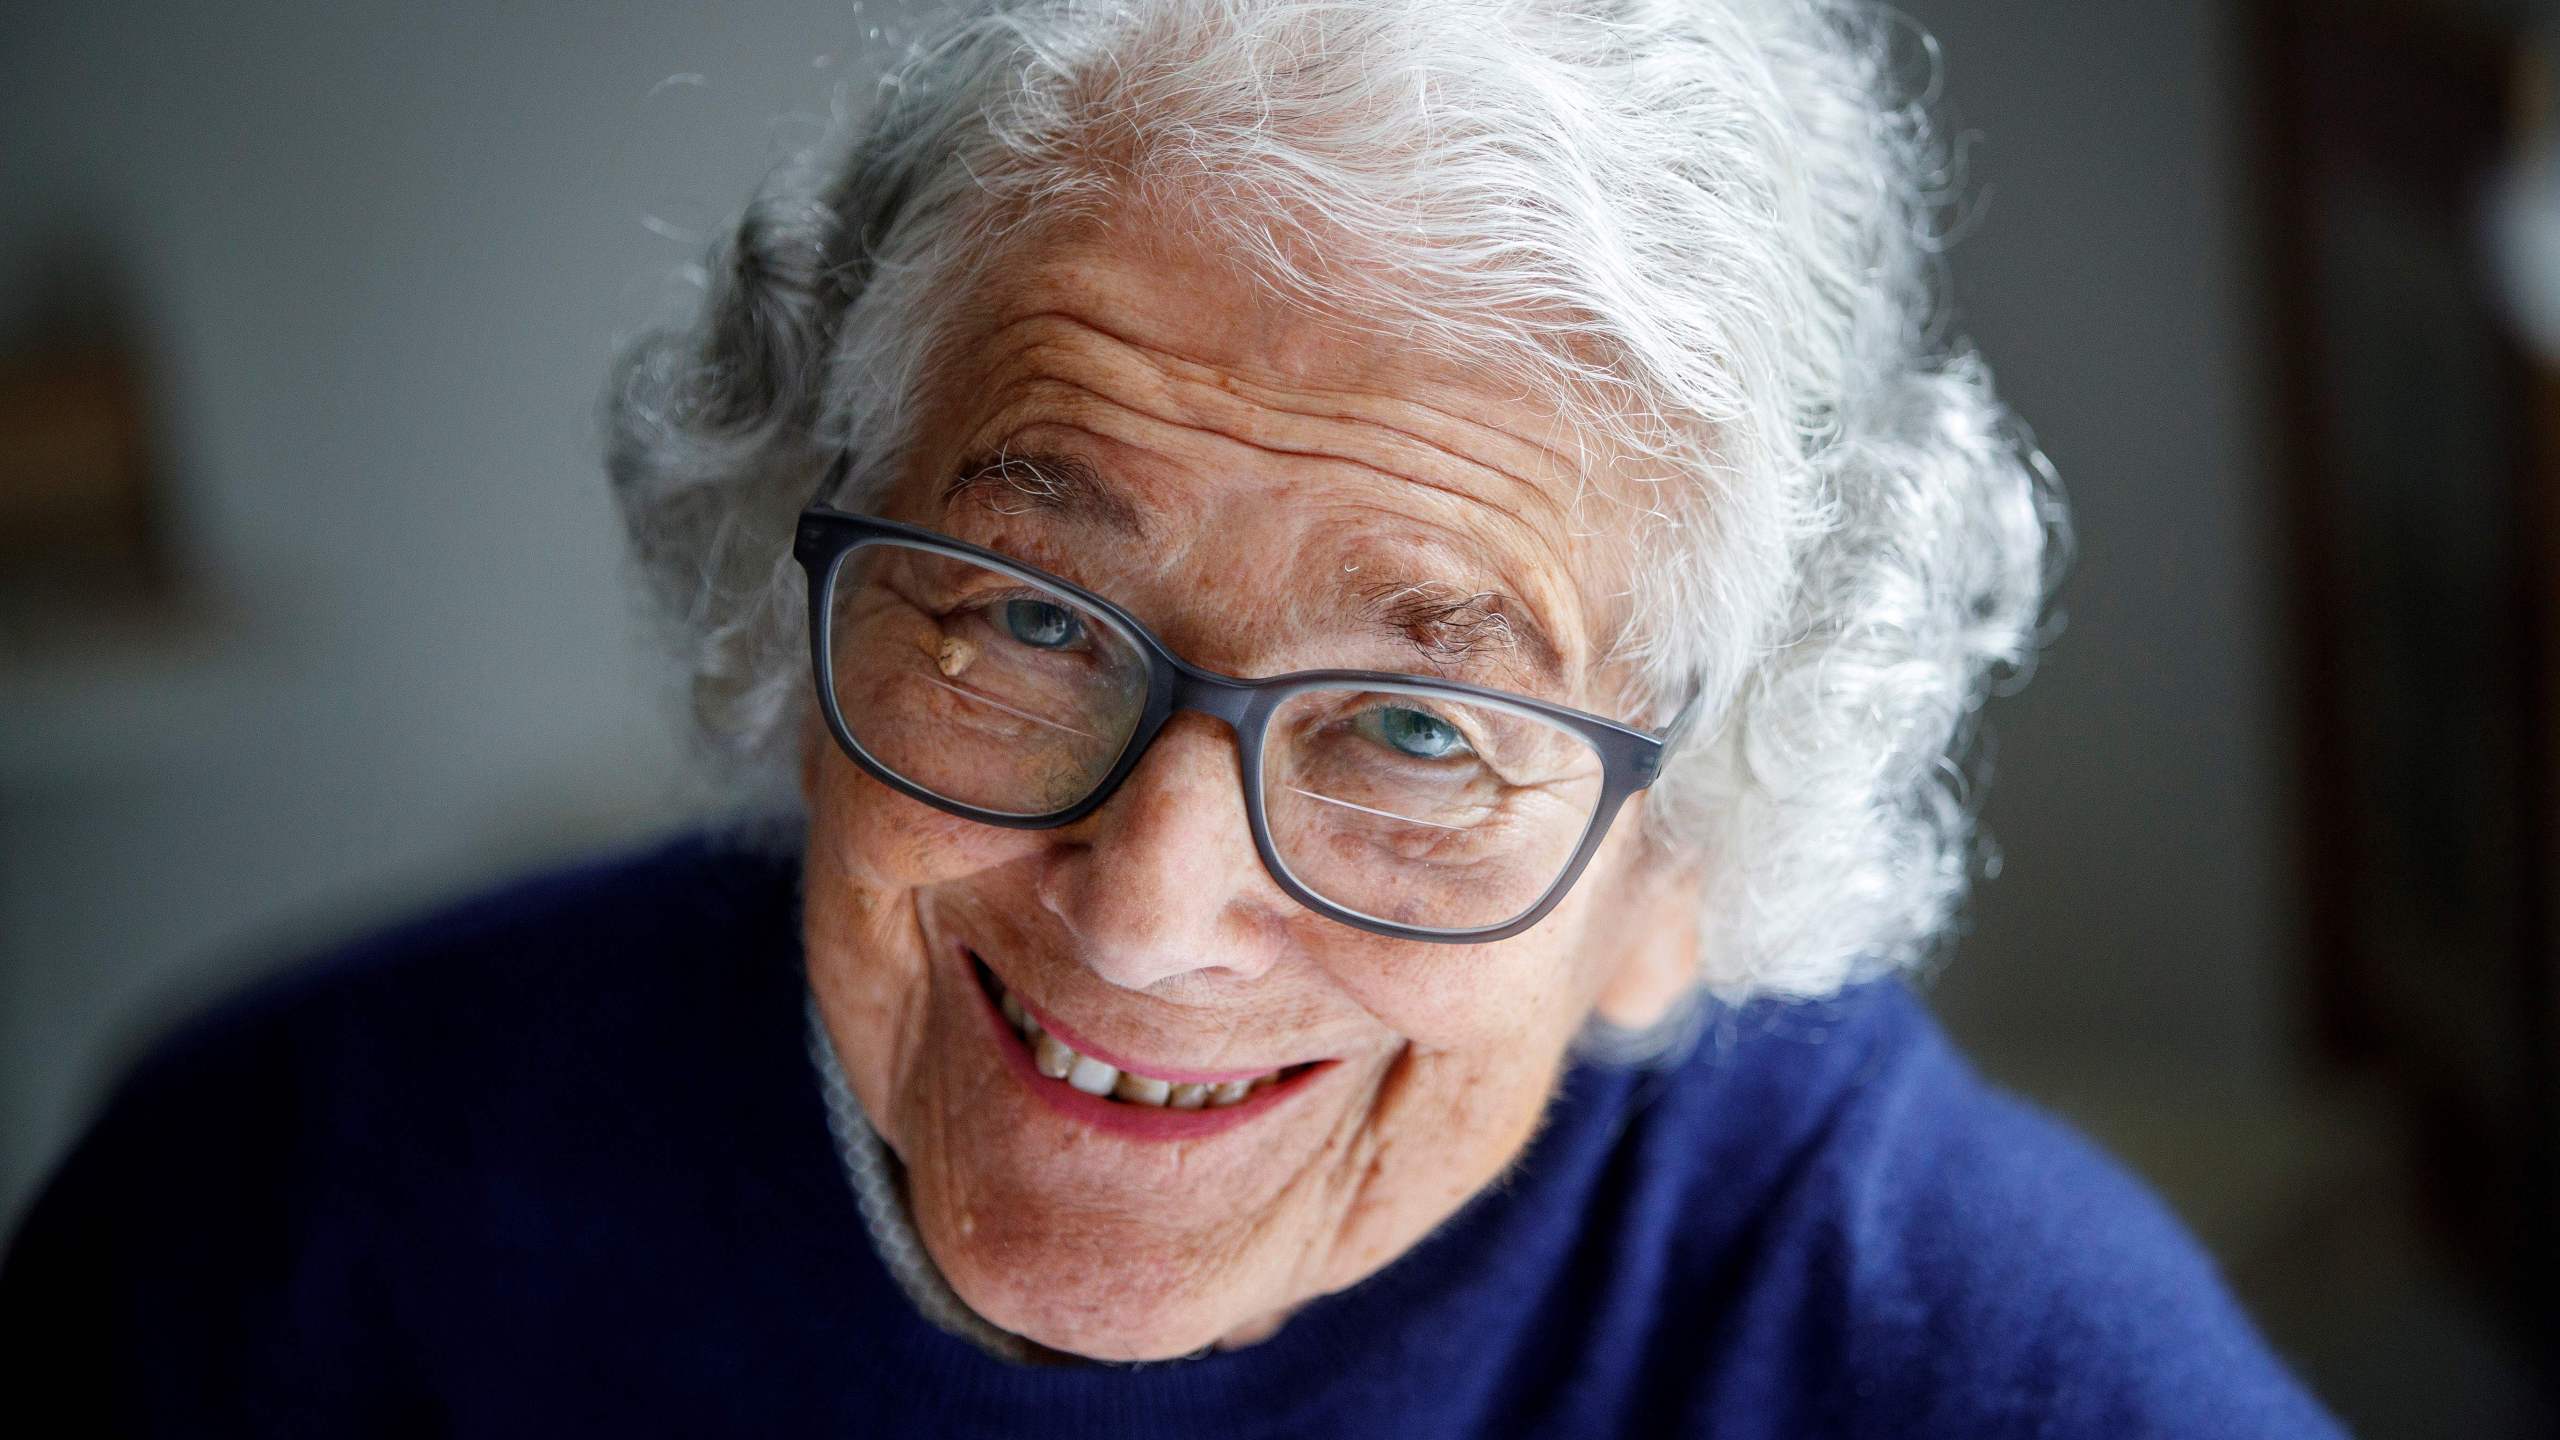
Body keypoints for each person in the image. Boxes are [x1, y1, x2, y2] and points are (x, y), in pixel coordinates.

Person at [1, 0, 2348, 1432]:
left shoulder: (1961, 1349)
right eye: (1027, 618)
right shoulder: (292, 1213)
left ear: (1675, 869)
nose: (1146, 911)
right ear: (788, 579)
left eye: (1419, 730)